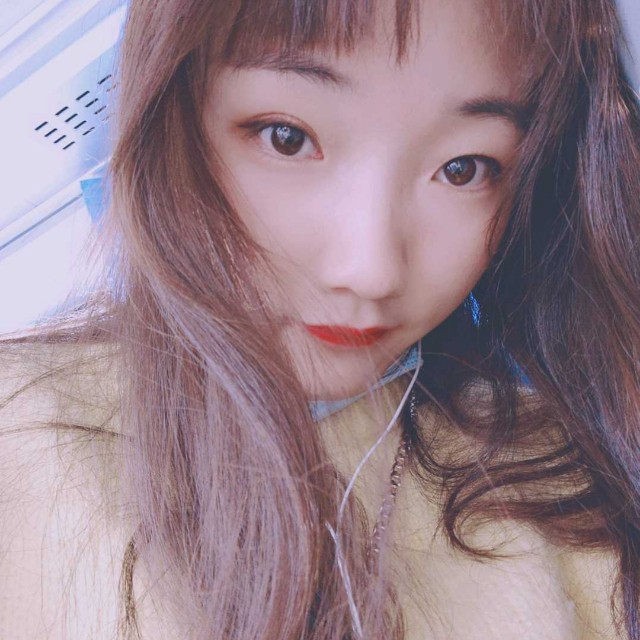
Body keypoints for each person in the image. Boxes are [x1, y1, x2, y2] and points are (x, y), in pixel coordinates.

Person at [0, 0, 638, 638]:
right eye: (288, 138)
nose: (371, 271)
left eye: (462, 169)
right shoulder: (24, 429)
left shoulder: (557, 468)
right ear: (172, 118)